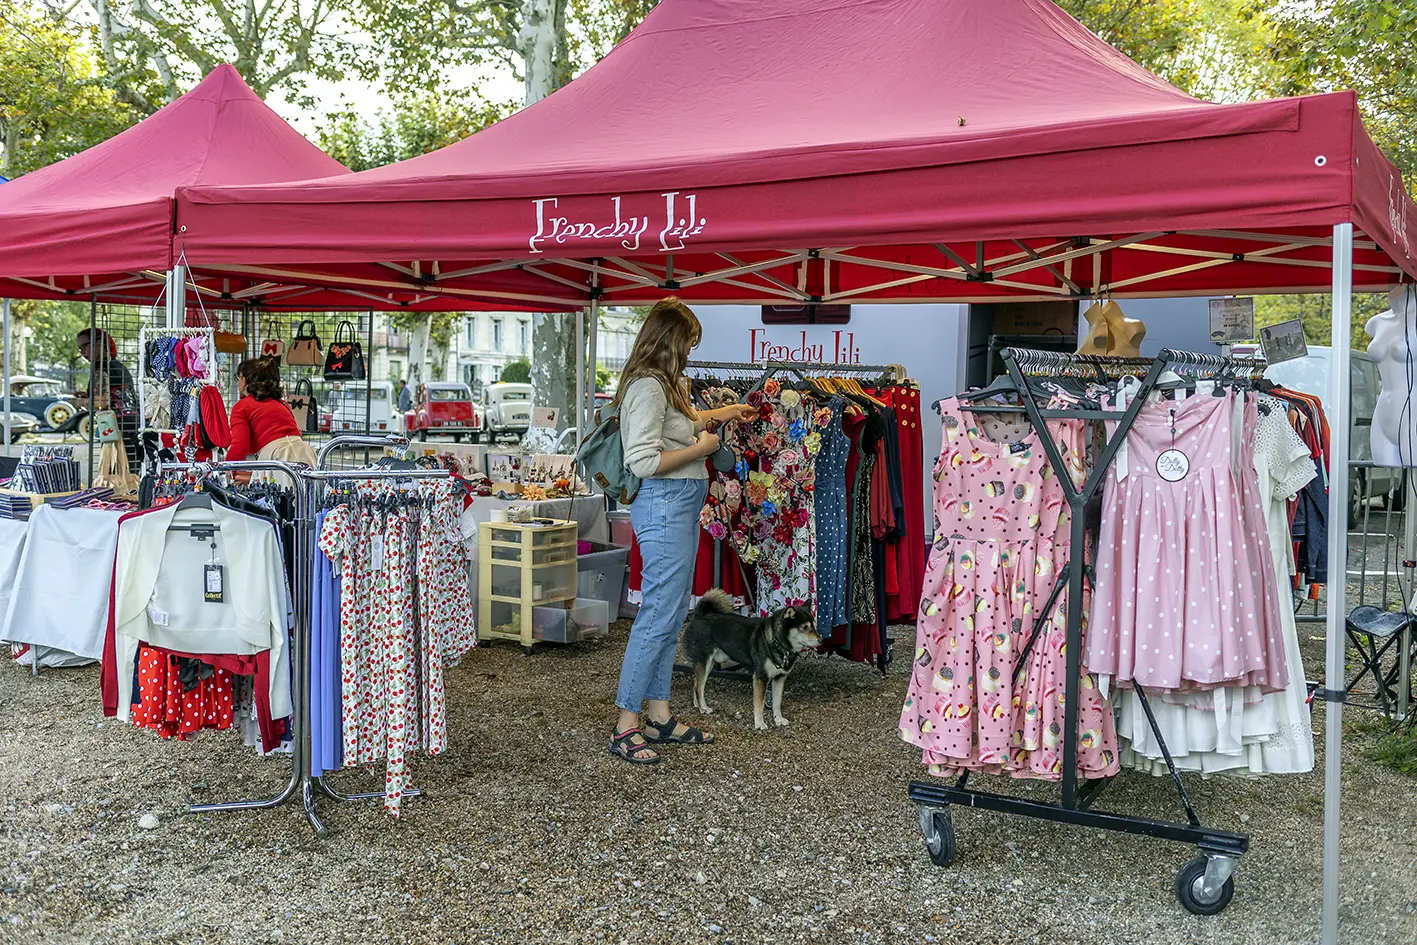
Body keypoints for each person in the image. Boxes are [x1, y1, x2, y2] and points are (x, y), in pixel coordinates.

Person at [608, 297, 756, 765]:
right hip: (666, 506)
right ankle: (626, 724)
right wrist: (703, 448)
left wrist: (725, 413)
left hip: (677, 507)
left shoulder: (662, 385)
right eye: (687, 343)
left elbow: (683, 426)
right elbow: (645, 460)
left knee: (670, 616)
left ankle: (658, 714)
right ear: (669, 341)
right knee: (657, 618)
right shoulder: (649, 388)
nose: (689, 353)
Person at [227, 357, 317, 467]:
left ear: (245, 380)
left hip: (276, 458)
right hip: (305, 454)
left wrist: (226, 469)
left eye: (239, 377)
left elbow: (240, 446)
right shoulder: (282, 404)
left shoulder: (242, 407)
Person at [75, 327, 140, 473]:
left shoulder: (101, 367)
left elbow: (100, 403)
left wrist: (80, 403)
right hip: (131, 429)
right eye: (79, 349)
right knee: (130, 478)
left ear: (99, 344)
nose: (82, 352)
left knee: (116, 482)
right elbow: (114, 395)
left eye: (84, 346)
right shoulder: (117, 366)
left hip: (117, 432)